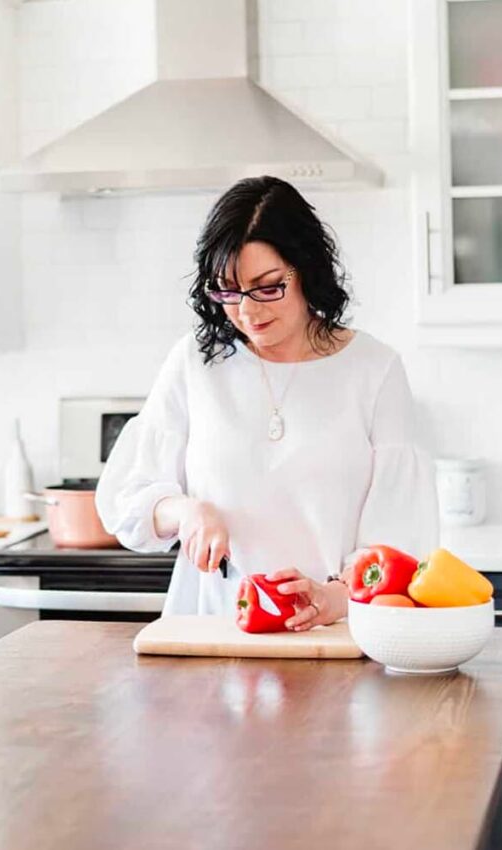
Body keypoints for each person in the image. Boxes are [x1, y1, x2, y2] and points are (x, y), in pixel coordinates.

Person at [95, 176, 439, 630]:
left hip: (331, 637)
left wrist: (333, 598)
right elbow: (125, 499)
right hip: (214, 633)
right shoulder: (195, 364)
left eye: (268, 287)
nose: (248, 311)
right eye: (228, 291)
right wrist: (188, 513)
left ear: (307, 270)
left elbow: (402, 538)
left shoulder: (374, 370)